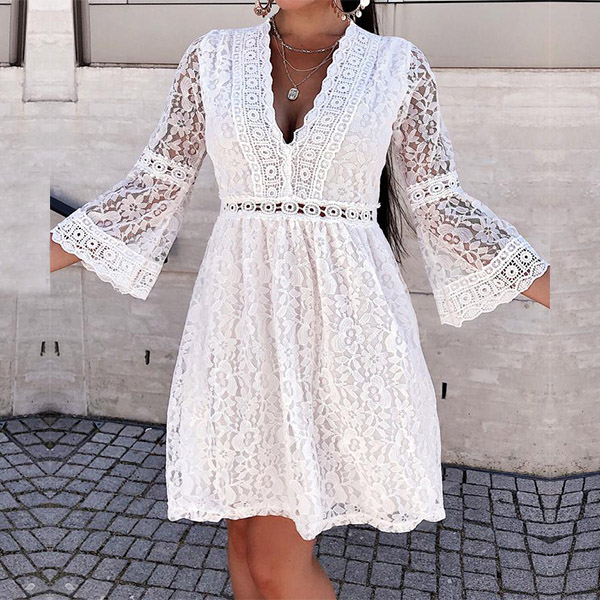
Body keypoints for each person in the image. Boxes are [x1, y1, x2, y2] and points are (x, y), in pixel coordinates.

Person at [49, 1, 551, 598]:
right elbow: (155, 186)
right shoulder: (212, 57)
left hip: (342, 328)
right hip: (238, 328)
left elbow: (439, 204)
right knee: (244, 543)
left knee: (275, 564)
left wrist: (550, 284)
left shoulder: (396, 66)